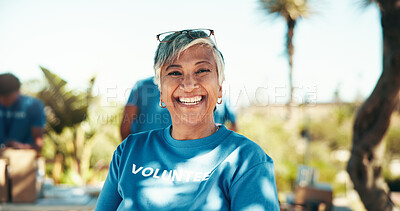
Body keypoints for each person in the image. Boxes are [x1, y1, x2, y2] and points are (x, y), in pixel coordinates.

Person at [96, 29, 280, 210]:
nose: (189, 85)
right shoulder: (127, 152)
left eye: (202, 70)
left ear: (220, 89)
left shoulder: (247, 160)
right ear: (160, 91)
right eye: (175, 73)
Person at [0, 73, 46, 152]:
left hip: (23, 157)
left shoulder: (33, 105)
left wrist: (22, 147)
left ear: (18, 91)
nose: (3, 100)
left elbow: (38, 144)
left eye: (7, 97)